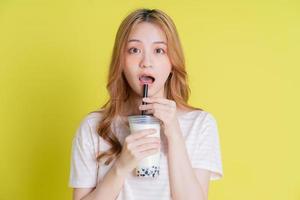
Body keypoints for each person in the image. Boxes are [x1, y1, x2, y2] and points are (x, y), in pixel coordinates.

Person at [68, 8, 223, 200]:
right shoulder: (94, 127)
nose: (146, 62)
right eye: (134, 50)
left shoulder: (200, 124)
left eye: (159, 50)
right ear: (121, 61)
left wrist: (174, 133)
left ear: (172, 61)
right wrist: (121, 166)